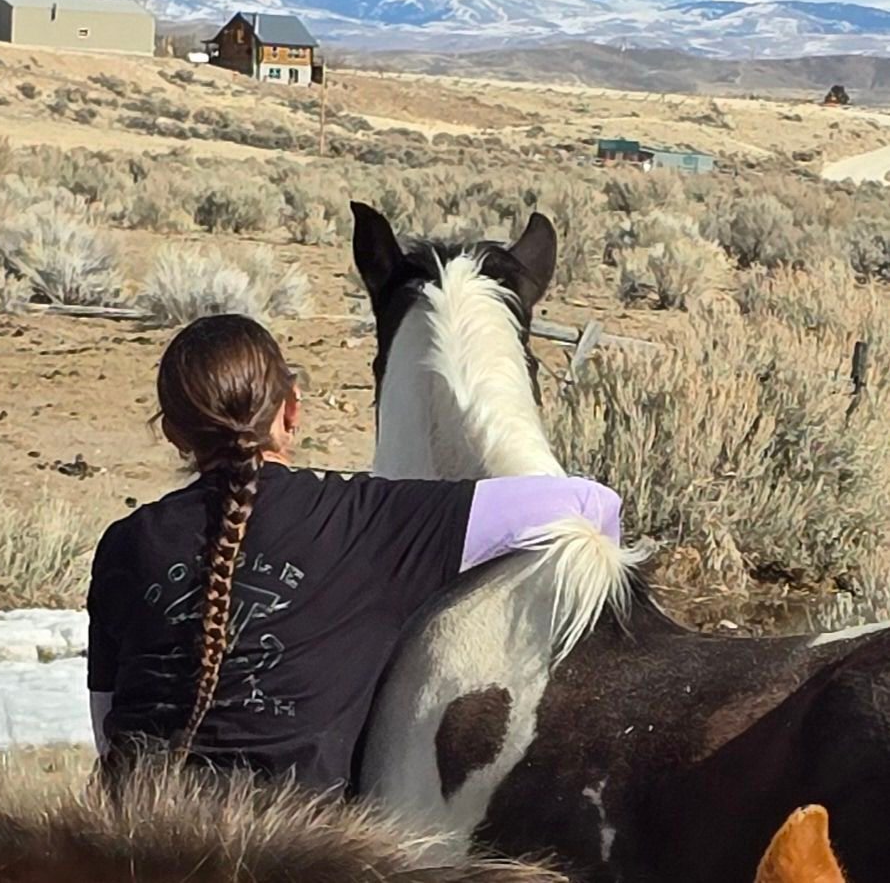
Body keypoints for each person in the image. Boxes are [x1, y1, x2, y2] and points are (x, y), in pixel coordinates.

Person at [87, 314, 621, 797]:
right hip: (301, 856)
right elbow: (585, 503)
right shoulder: (369, 520)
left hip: (137, 848)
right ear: (291, 408)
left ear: (173, 433)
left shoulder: (126, 543)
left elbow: (106, 732)